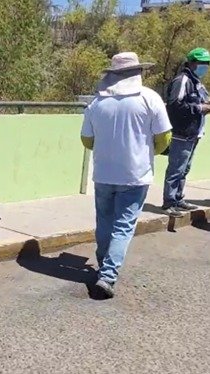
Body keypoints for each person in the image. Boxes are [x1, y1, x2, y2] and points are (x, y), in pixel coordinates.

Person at [81, 52, 172, 299]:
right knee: (123, 226)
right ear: (137, 73)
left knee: (104, 221)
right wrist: (146, 151)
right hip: (135, 174)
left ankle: (103, 262)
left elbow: (87, 140)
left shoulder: (96, 103)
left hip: (103, 173)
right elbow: (164, 138)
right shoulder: (150, 99)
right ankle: (108, 275)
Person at [161, 47, 210, 217]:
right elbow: (175, 104)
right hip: (181, 133)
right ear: (191, 62)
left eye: (207, 63)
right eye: (202, 63)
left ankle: (178, 199)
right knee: (176, 168)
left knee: (185, 169)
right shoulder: (182, 80)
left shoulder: (196, 81)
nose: (205, 66)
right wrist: (200, 108)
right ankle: (169, 202)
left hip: (193, 133)